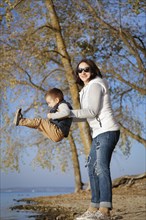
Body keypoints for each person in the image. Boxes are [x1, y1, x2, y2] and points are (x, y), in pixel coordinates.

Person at [70, 59, 120, 220]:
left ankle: (104, 210)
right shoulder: (85, 90)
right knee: (92, 168)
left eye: (86, 69)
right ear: (77, 74)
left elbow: (91, 111)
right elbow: (84, 116)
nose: (83, 72)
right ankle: (93, 208)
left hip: (108, 131)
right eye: (80, 70)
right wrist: (64, 119)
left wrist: (69, 114)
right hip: (98, 133)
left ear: (93, 70)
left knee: (100, 168)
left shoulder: (96, 85)